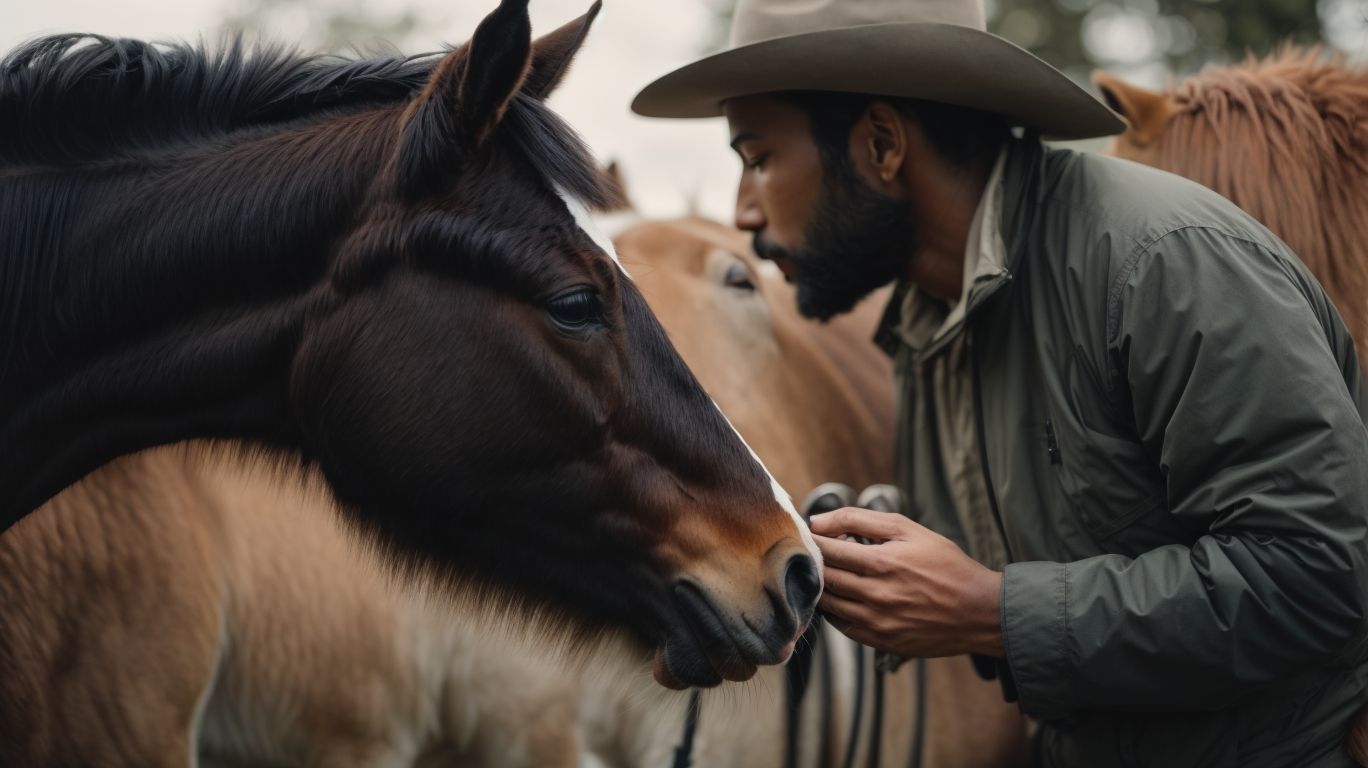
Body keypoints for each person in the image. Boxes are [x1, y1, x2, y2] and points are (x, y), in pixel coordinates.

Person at [631, 0, 1368, 765]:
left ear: (881, 144)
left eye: (757, 160)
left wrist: (990, 611)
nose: (742, 213)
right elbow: (1026, 543)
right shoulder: (933, 314)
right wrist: (815, 559)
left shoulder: (1162, 264)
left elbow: (1318, 578)